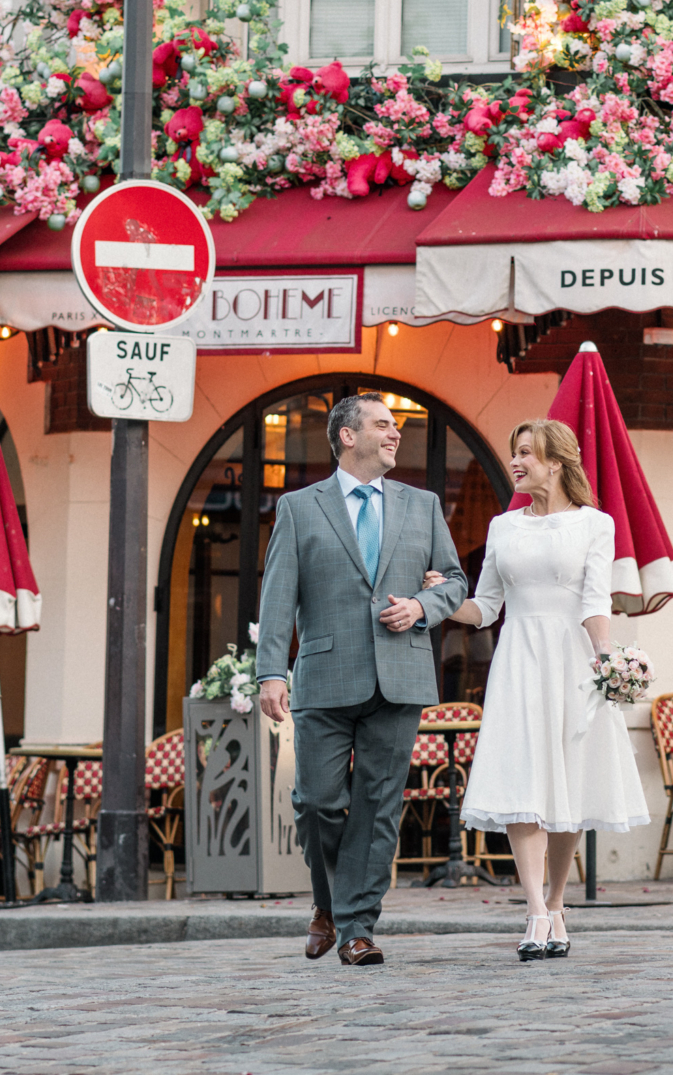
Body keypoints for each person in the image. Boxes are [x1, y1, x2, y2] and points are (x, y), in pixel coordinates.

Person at [257, 393, 468, 966]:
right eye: (383, 425)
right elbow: (279, 595)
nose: (395, 434)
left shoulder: (421, 505)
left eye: (396, 426)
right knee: (317, 801)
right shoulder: (300, 507)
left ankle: (356, 929)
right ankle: (329, 905)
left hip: (400, 673)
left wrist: (423, 606)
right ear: (348, 436)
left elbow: (455, 580)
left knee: (377, 806)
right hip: (325, 674)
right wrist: (271, 671)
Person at [433, 418, 649, 961]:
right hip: (518, 662)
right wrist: (435, 599)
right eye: (515, 451)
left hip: (573, 661)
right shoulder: (503, 528)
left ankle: (555, 903)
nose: (516, 461)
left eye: (526, 452)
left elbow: (595, 602)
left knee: (568, 788)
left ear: (556, 462)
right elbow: (484, 609)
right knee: (522, 781)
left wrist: (610, 665)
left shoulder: (596, 525)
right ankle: (533, 910)